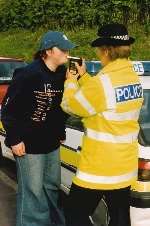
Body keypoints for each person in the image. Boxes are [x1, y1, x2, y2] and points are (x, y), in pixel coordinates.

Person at [61, 23, 143, 226]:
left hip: (98, 167)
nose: (98, 54)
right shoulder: (133, 79)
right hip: (124, 166)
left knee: (74, 214)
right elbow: (103, 99)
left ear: (106, 50)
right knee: (120, 217)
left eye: (99, 50)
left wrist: (71, 81)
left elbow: (71, 106)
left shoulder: (102, 83)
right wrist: (84, 77)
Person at [1, 31, 76, 226]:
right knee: (32, 191)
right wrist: (15, 139)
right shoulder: (28, 74)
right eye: (63, 49)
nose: (67, 53)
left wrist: (61, 132)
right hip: (28, 144)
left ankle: (53, 222)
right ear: (49, 51)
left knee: (51, 187)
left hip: (51, 143)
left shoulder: (62, 74)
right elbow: (8, 110)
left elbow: (60, 109)